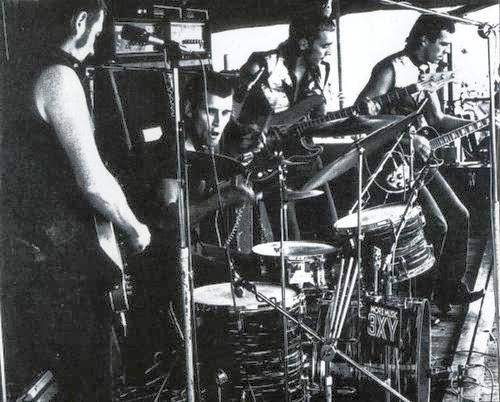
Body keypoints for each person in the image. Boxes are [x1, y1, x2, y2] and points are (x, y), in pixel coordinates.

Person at [1, 1, 151, 400]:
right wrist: (134, 227)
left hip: (27, 258)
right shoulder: (59, 77)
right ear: (81, 21)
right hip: (59, 266)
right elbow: (93, 181)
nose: (95, 44)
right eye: (97, 33)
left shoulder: (18, 70)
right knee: (90, 385)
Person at [355, 14, 483, 313]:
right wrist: (408, 136)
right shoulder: (390, 69)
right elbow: (361, 116)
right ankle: (424, 303)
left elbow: (437, 119)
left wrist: (479, 123)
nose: (445, 51)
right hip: (391, 163)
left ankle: (450, 289)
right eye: (443, 44)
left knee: (459, 215)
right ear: (424, 39)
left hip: (418, 160)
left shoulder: (426, 72)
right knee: (436, 225)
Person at [229, 13, 339, 240]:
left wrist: (355, 119)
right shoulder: (262, 65)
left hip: (305, 156)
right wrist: (250, 133)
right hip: (266, 161)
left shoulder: (321, 71)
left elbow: (320, 121)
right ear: (304, 43)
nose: (329, 52)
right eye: (325, 46)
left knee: (332, 229)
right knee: (288, 240)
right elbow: (229, 109)